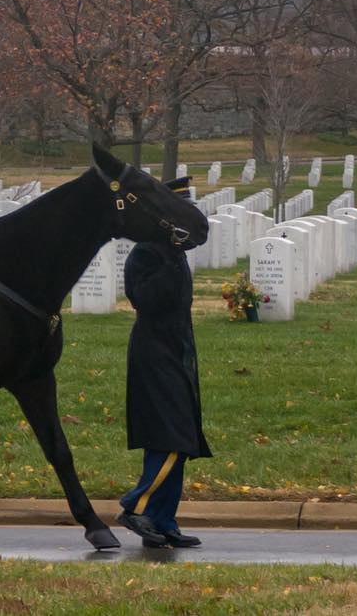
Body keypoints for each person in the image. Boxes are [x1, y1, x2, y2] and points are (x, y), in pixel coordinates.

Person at [118, 175, 210, 548]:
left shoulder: (171, 253)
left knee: (173, 442)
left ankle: (162, 520)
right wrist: (171, 259)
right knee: (173, 438)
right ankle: (135, 506)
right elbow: (145, 300)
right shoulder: (147, 253)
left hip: (177, 351)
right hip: (154, 353)